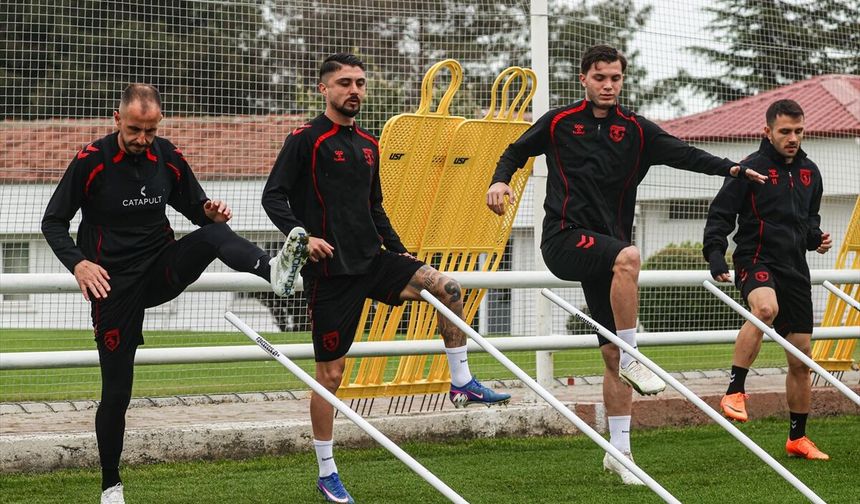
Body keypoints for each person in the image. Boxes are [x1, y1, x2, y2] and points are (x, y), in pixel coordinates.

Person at [487, 45, 767, 485]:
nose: (608, 85)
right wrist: (500, 181)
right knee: (630, 257)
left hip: (609, 254)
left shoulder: (636, 130)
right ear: (584, 79)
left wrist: (733, 169)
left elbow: (687, 154)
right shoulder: (560, 122)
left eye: (615, 78)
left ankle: (620, 452)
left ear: (622, 80)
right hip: (563, 238)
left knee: (611, 354)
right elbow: (514, 152)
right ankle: (637, 354)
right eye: (600, 77)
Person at [262, 53, 511, 503]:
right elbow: (272, 196)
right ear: (325, 90)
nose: (353, 90)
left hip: (374, 260)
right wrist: (305, 237)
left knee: (447, 287)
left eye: (359, 82)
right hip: (332, 272)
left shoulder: (369, 145)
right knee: (330, 376)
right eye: (344, 83)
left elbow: (375, 209)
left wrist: (401, 252)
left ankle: (461, 382)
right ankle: (326, 471)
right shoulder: (305, 139)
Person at [41, 84, 306, 504]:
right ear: (116, 119)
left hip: (161, 268)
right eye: (134, 130)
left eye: (150, 130)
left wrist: (208, 213)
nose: (142, 139)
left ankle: (270, 269)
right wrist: (79, 263)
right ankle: (111, 485)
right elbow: (52, 222)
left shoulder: (167, 155)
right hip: (114, 286)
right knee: (117, 391)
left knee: (215, 234)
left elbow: (194, 205)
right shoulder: (90, 161)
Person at [704, 99, 832, 460]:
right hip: (756, 259)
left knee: (801, 357)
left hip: (795, 268)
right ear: (768, 132)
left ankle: (797, 438)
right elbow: (720, 215)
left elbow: (808, 222)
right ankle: (734, 391)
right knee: (764, 309)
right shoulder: (750, 168)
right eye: (785, 132)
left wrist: (816, 239)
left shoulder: (810, 172)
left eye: (799, 131)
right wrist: (715, 254)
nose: (793, 138)